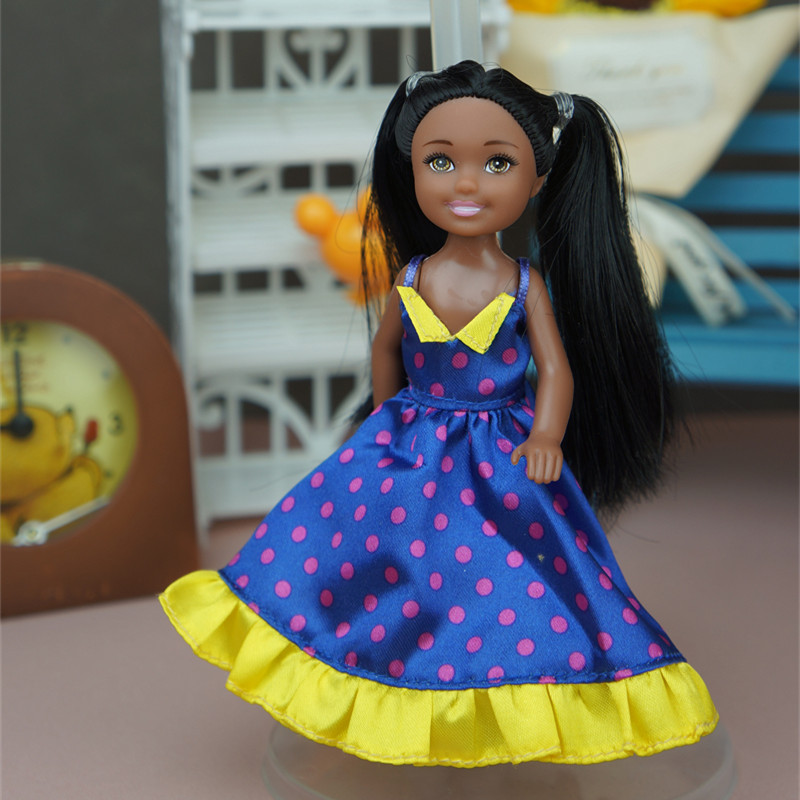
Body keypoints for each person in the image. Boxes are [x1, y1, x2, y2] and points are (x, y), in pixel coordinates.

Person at [161, 61, 717, 767]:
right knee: (379, 560)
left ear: (537, 180)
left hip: (500, 450)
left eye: (497, 163)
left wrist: (547, 433)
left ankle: (504, 699)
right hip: (412, 438)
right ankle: (392, 679)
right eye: (441, 161)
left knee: (511, 576)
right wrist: (383, 417)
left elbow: (555, 369)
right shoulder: (413, 276)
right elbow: (386, 350)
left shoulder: (523, 285)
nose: (466, 184)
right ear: (412, 171)